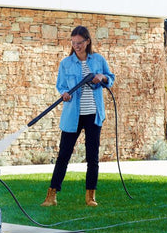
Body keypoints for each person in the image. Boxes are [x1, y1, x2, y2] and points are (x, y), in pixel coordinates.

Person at [41, 25, 115, 207]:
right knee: (63, 155)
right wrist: (64, 93)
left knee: (92, 156)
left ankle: (90, 196)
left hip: (93, 115)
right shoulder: (66, 63)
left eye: (80, 43)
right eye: (73, 43)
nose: (76, 46)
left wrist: (102, 77)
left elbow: (110, 78)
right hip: (73, 115)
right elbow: (61, 85)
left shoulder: (98, 60)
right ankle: (51, 195)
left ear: (87, 41)